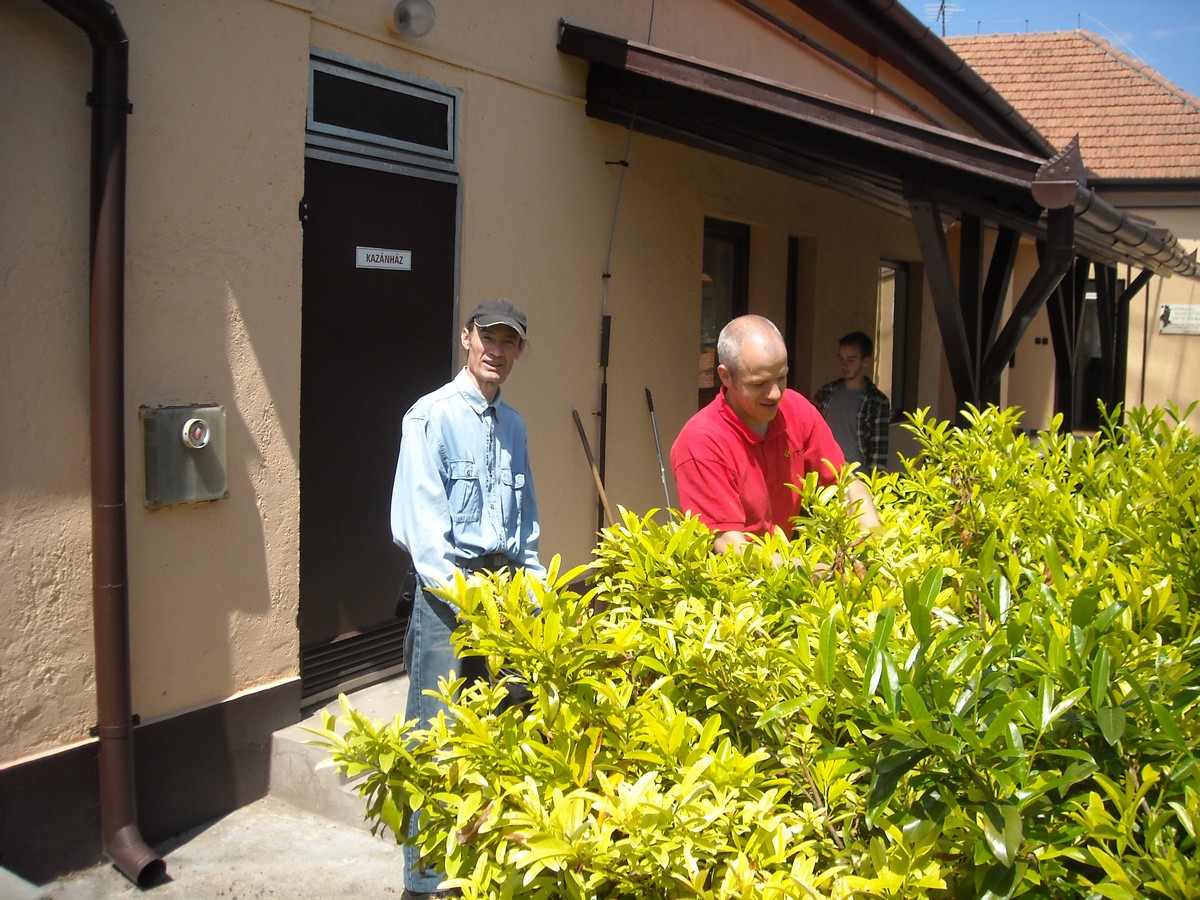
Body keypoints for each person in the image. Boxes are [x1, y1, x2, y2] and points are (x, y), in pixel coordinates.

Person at [390, 297, 545, 900]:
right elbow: (423, 533)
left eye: (509, 342)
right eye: (489, 337)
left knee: (502, 729)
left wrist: (534, 595)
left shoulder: (516, 426)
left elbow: (525, 526)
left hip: (505, 593)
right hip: (445, 598)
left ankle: (481, 869)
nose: (497, 351)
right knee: (436, 738)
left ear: (518, 351)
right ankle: (426, 883)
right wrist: (472, 599)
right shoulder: (429, 416)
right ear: (466, 337)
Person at [670, 315, 880, 555]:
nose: (775, 394)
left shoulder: (796, 409)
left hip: (784, 560)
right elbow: (729, 545)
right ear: (726, 376)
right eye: (759, 384)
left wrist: (873, 539)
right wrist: (807, 570)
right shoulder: (701, 442)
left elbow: (844, 482)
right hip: (733, 575)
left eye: (781, 378)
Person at [813, 331, 891, 473]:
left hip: (859, 478)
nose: (844, 365)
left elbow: (878, 456)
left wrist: (875, 484)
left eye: (851, 359)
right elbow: (811, 435)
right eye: (841, 358)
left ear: (865, 361)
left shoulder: (877, 402)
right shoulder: (825, 393)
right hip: (825, 476)